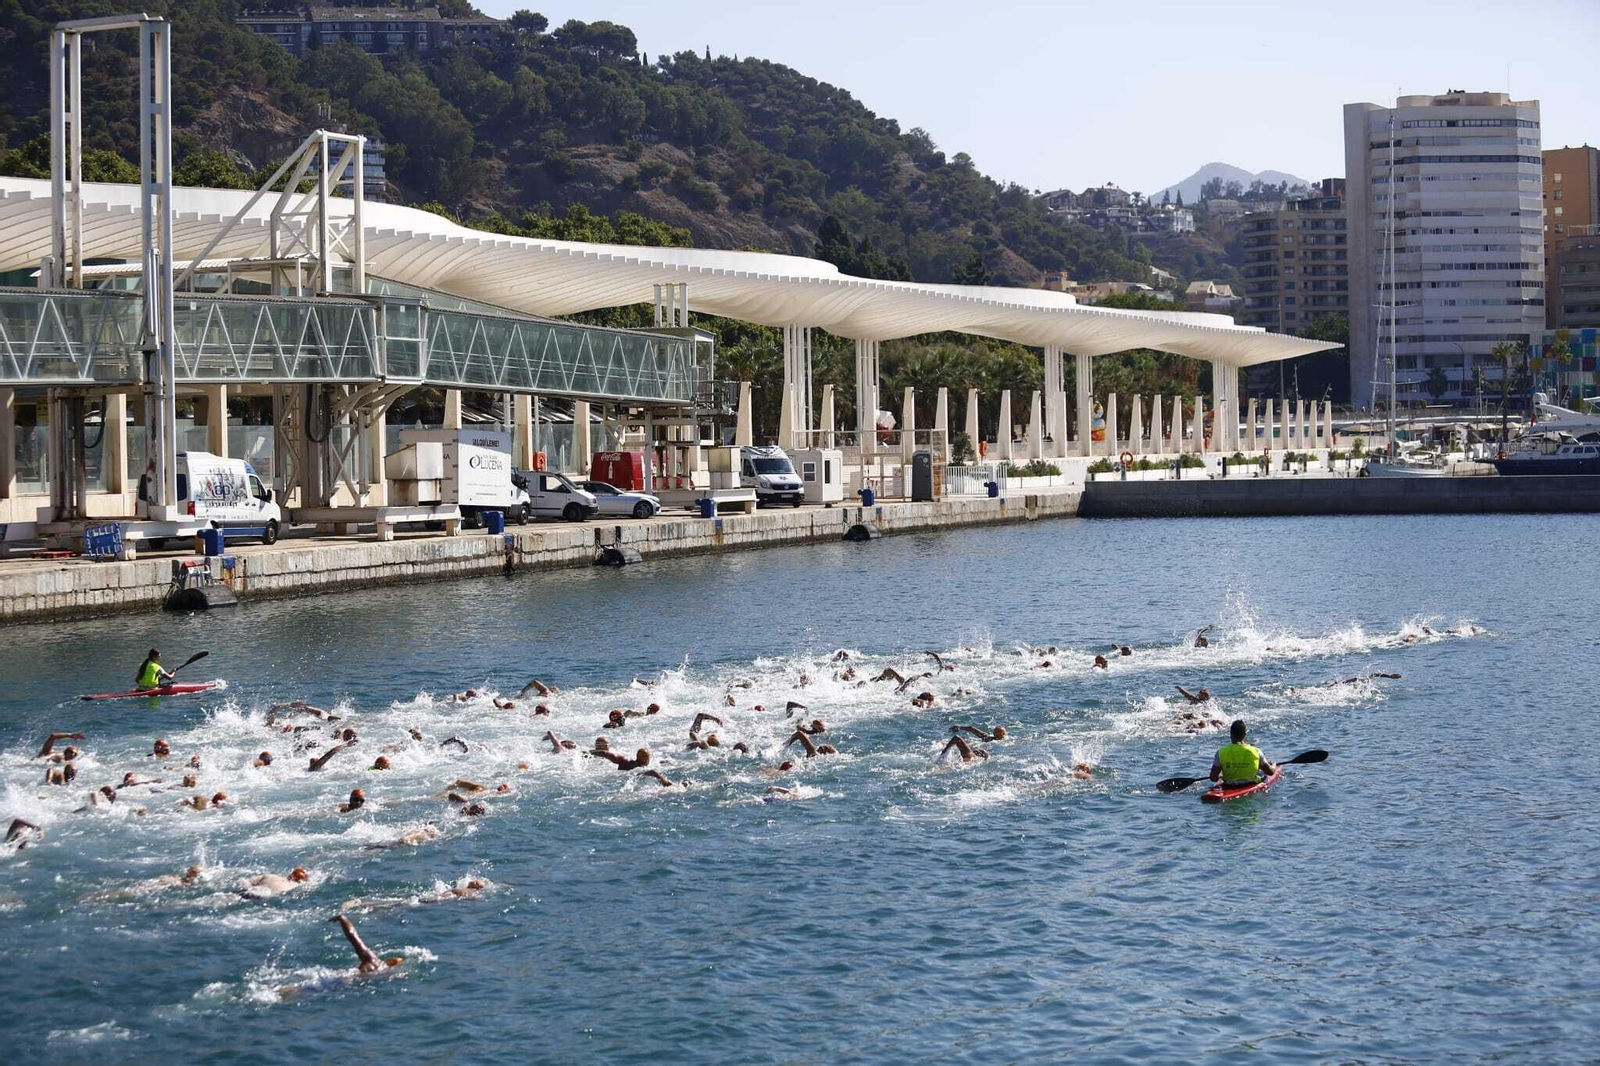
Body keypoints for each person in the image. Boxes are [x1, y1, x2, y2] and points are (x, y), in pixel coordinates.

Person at [1209, 720, 1277, 787]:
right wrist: (1274, 765)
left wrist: (1220, 776)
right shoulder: (1256, 751)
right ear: (1244, 735)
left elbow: (1213, 778)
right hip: (1251, 784)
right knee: (1261, 772)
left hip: (1230, 786)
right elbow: (1270, 772)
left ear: (1230, 734)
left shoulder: (1220, 752)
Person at [330, 913, 404, 973]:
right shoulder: (378, 965)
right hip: (362, 976)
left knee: (355, 939)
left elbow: (352, 935)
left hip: (363, 971)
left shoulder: (371, 958)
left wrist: (342, 919)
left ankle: (342, 918)